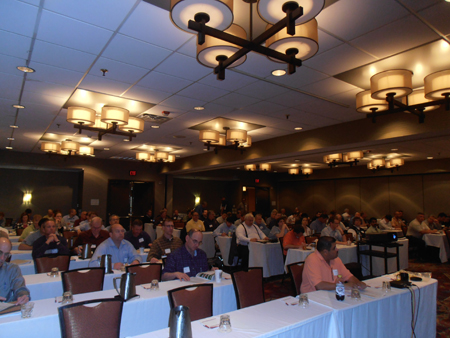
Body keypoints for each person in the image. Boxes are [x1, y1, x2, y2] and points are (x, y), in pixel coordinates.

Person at [301, 236, 367, 293]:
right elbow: (319, 285)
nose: (337, 249)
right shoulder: (312, 259)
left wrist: (358, 283)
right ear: (325, 252)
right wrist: (343, 286)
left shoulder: (335, 259)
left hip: (332, 293)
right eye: (334, 248)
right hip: (313, 297)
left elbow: (348, 276)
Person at [0, 238, 30, 305]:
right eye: (0, 252)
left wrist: (23, 296)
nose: (2, 258)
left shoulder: (12, 269)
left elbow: (20, 288)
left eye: (6, 254)